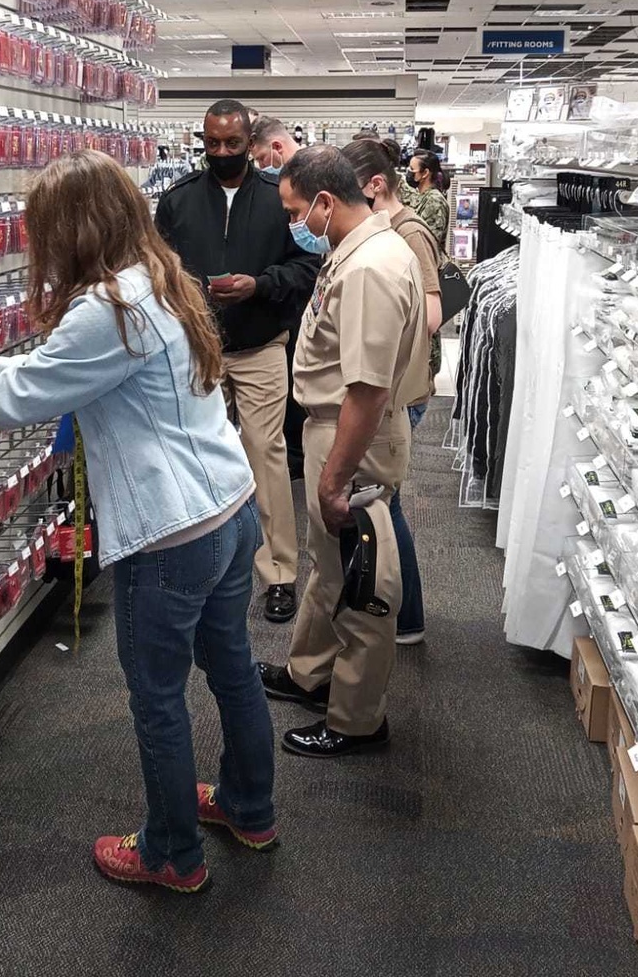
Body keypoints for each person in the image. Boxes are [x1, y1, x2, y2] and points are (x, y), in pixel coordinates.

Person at [0, 152, 276, 894]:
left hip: (172, 535)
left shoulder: (105, 309)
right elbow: (57, 370)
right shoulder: (156, 280)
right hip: (228, 509)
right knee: (232, 669)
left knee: (158, 697)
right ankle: (248, 807)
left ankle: (171, 853)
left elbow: (32, 394)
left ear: (70, 230)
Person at [259, 146, 426, 758]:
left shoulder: (370, 268)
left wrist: (334, 479)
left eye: (297, 210)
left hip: (352, 434)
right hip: (331, 426)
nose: (293, 224)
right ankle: (312, 675)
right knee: (329, 565)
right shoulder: (353, 252)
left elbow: (368, 387)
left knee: (362, 584)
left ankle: (357, 718)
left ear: (327, 202)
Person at [155, 100, 319, 624]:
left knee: (266, 454)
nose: (221, 153)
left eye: (231, 143)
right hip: (197, 351)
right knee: (195, 455)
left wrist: (260, 284)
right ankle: (200, 566)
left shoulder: (279, 200)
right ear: (202, 141)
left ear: (251, 143)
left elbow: (308, 267)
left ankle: (278, 572)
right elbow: (156, 272)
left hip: (261, 346)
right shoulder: (177, 202)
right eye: (212, 144)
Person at [342, 137, 443, 647]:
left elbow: (432, 314)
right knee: (383, 502)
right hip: (397, 388)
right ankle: (403, 618)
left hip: (402, 390)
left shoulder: (408, 234)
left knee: (386, 504)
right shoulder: (386, 233)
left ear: (375, 187)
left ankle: (405, 620)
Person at [249, 115, 307, 480]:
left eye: (258, 159)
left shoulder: (305, 179)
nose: (258, 168)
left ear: (276, 148)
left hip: (301, 303)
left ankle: (300, 457)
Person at [404, 148, 451, 248]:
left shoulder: (435, 201)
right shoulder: (420, 196)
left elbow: (428, 242)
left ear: (425, 173)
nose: (409, 173)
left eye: (412, 169)